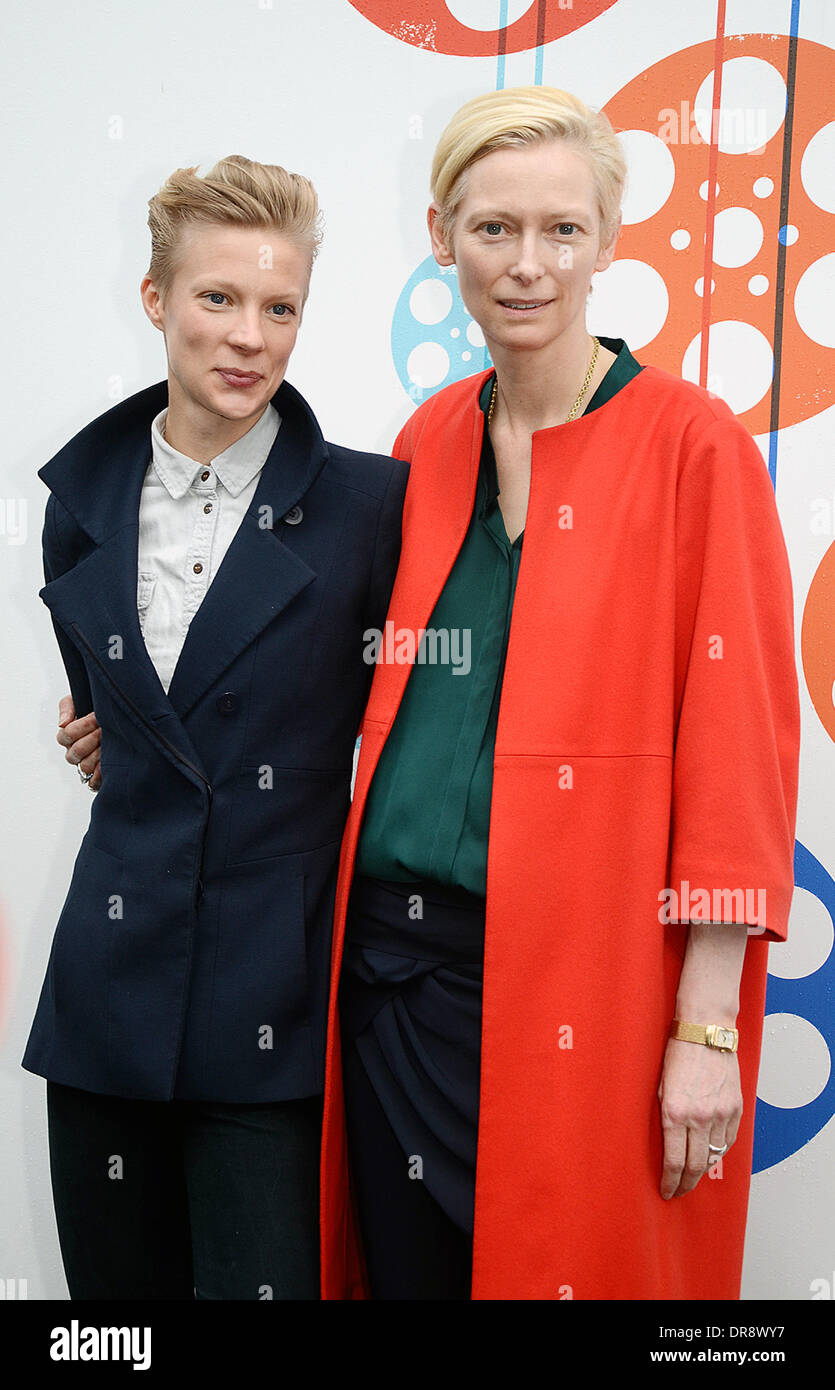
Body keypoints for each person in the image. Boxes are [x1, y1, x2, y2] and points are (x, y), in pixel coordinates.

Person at [319, 87, 801, 1300]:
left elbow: (736, 754)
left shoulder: (694, 445)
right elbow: (364, 682)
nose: (526, 266)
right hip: (385, 978)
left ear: (608, 239)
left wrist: (704, 1027)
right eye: (492, 230)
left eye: (561, 231)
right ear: (441, 236)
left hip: (588, 982)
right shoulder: (426, 436)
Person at [24, 155, 407, 1299]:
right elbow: (122, 723)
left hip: (271, 1009)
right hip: (107, 998)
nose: (249, 336)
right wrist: (108, 733)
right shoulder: (77, 504)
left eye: (279, 306)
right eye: (218, 298)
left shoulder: (371, 506)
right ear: (156, 301)